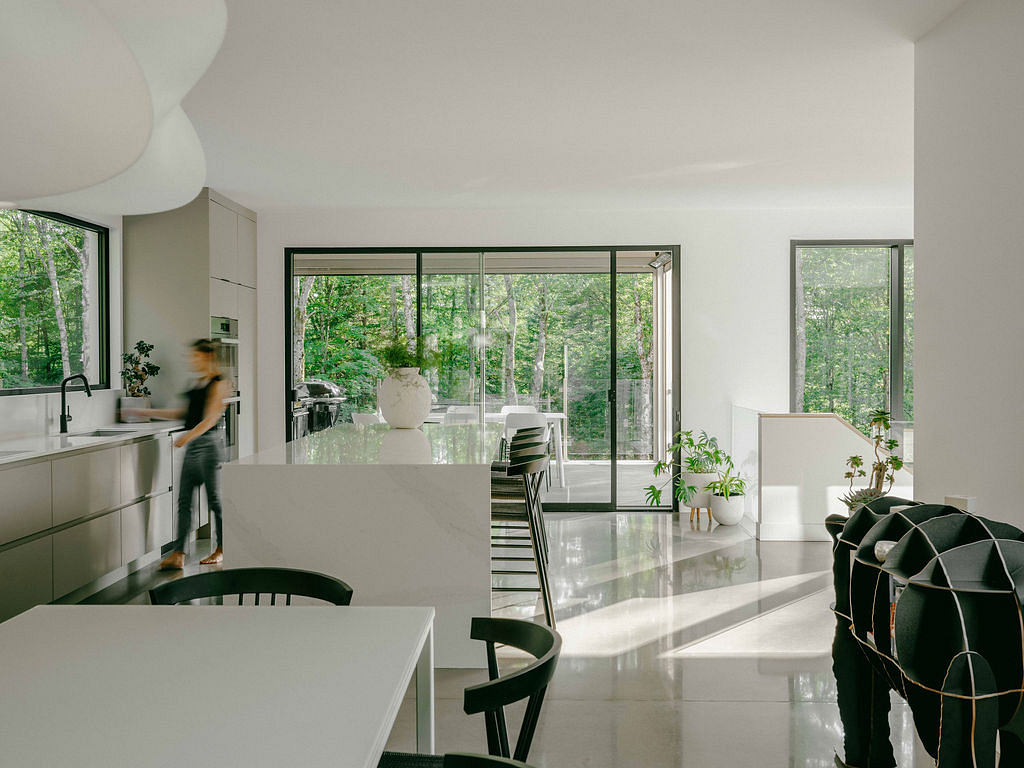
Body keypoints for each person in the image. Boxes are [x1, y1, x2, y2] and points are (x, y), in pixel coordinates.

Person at [128, 339, 230, 569]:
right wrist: (146, 412)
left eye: (196, 356)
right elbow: (182, 414)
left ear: (208, 357)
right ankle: (179, 554)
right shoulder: (196, 383)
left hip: (209, 447)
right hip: (193, 447)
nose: (192, 361)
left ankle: (222, 549)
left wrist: (187, 437)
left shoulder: (219, 383)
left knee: (215, 501)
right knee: (184, 501)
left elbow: (211, 418)